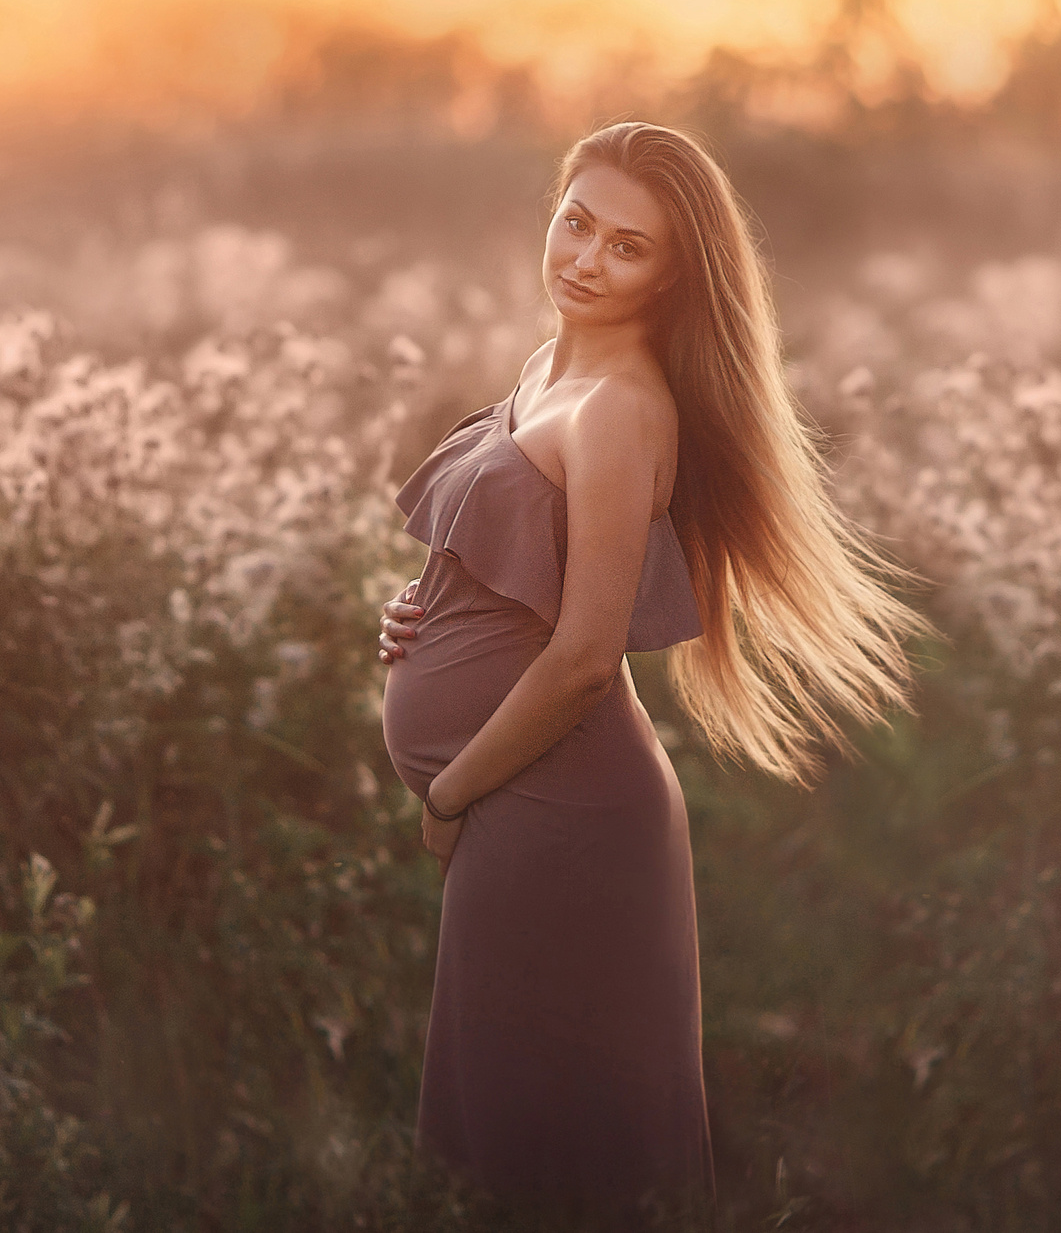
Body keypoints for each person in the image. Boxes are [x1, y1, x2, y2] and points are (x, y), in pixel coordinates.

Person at [376, 119, 924, 1216]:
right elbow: (520, 566)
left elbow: (583, 657)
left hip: (558, 806)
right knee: (513, 1135)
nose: (585, 259)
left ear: (675, 276)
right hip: (517, 797)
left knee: (561, 1155)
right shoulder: (548, 368)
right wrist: (430, 612)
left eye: (627, 247)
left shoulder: (621, 412)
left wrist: (447, 794)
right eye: (575, 223)